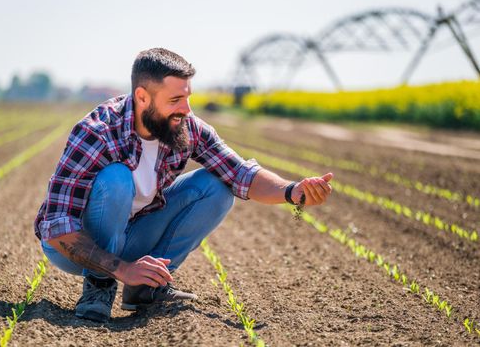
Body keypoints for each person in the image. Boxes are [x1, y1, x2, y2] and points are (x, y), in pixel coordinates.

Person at [34, 48, 333, 323]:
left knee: (216, 186)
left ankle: (147, 289)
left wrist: (292, 191)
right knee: (117, 179)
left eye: (187, 97)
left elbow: (241, 174)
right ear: (142, 98)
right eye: (175, 100)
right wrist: (123, 269)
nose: (187, 110)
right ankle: (98, 287)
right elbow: (57, 228)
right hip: (74, 244)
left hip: (131, 234)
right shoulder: (97, 132)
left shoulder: (187, 128)